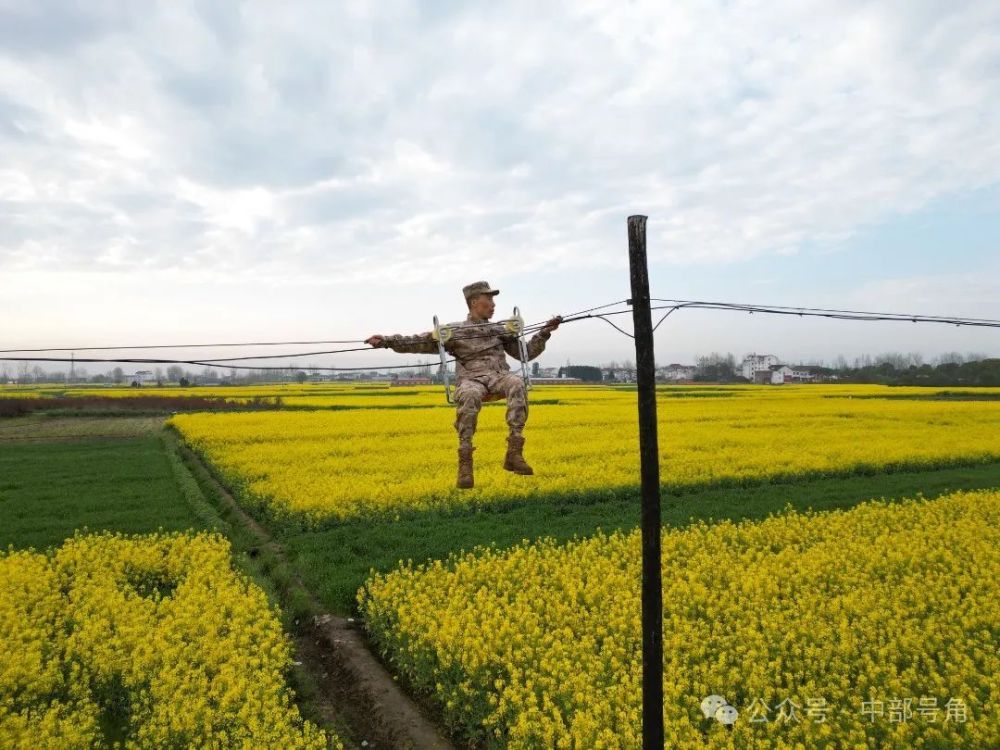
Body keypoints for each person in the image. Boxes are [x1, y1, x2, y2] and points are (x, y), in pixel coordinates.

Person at [365, 281, 561, 489]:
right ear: (475, 302)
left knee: (517, 383)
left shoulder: (499, 330)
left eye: (493, 300)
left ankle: (514, 453)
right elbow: (417, 341)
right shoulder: (454, 331)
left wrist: (545, 332)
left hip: (498, 376)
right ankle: (465, 464)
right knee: (469, 395)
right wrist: (386, 340)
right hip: (471, 379)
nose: (493, 305)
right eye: (489, 300)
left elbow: (526, 353)